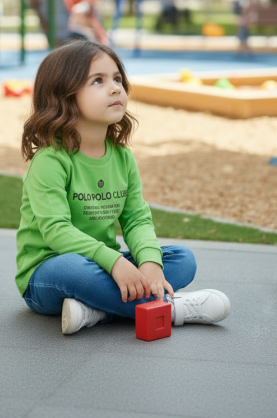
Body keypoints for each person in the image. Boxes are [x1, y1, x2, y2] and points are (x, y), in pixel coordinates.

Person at [16, 40, 230, 335]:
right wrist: (115, 262)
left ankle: (96, 311)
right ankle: (174, 308)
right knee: (73, 269)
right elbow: (56, 231)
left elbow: (136, 219)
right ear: (64, 96)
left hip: (105, 264)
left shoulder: (122, 157)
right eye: (98, 81)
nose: (115, 88)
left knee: (182, 260)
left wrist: (151, 264)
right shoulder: (50, 160)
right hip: (49, 274)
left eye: (117, 79)